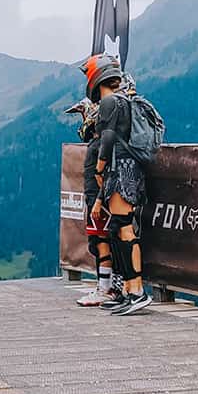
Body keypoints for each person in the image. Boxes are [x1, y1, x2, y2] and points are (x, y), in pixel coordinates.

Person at [82, 53, 151, 315]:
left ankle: (137, 291)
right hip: (128, 169)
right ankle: (127, 291)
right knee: (118, 228)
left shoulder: (111, 101)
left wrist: (100, 169)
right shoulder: (127, 100)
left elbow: (108, 138)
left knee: (123, 228)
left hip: (120, 170)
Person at [68, 95, 120, 307]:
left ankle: (106, 288)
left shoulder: (102, 144)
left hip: (100, 201)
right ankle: (107, 285)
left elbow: (104, 175)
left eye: (85, 115)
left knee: (102, 243)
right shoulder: (96, 141)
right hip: (95, 199)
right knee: (97, 243)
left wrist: (99, 201)